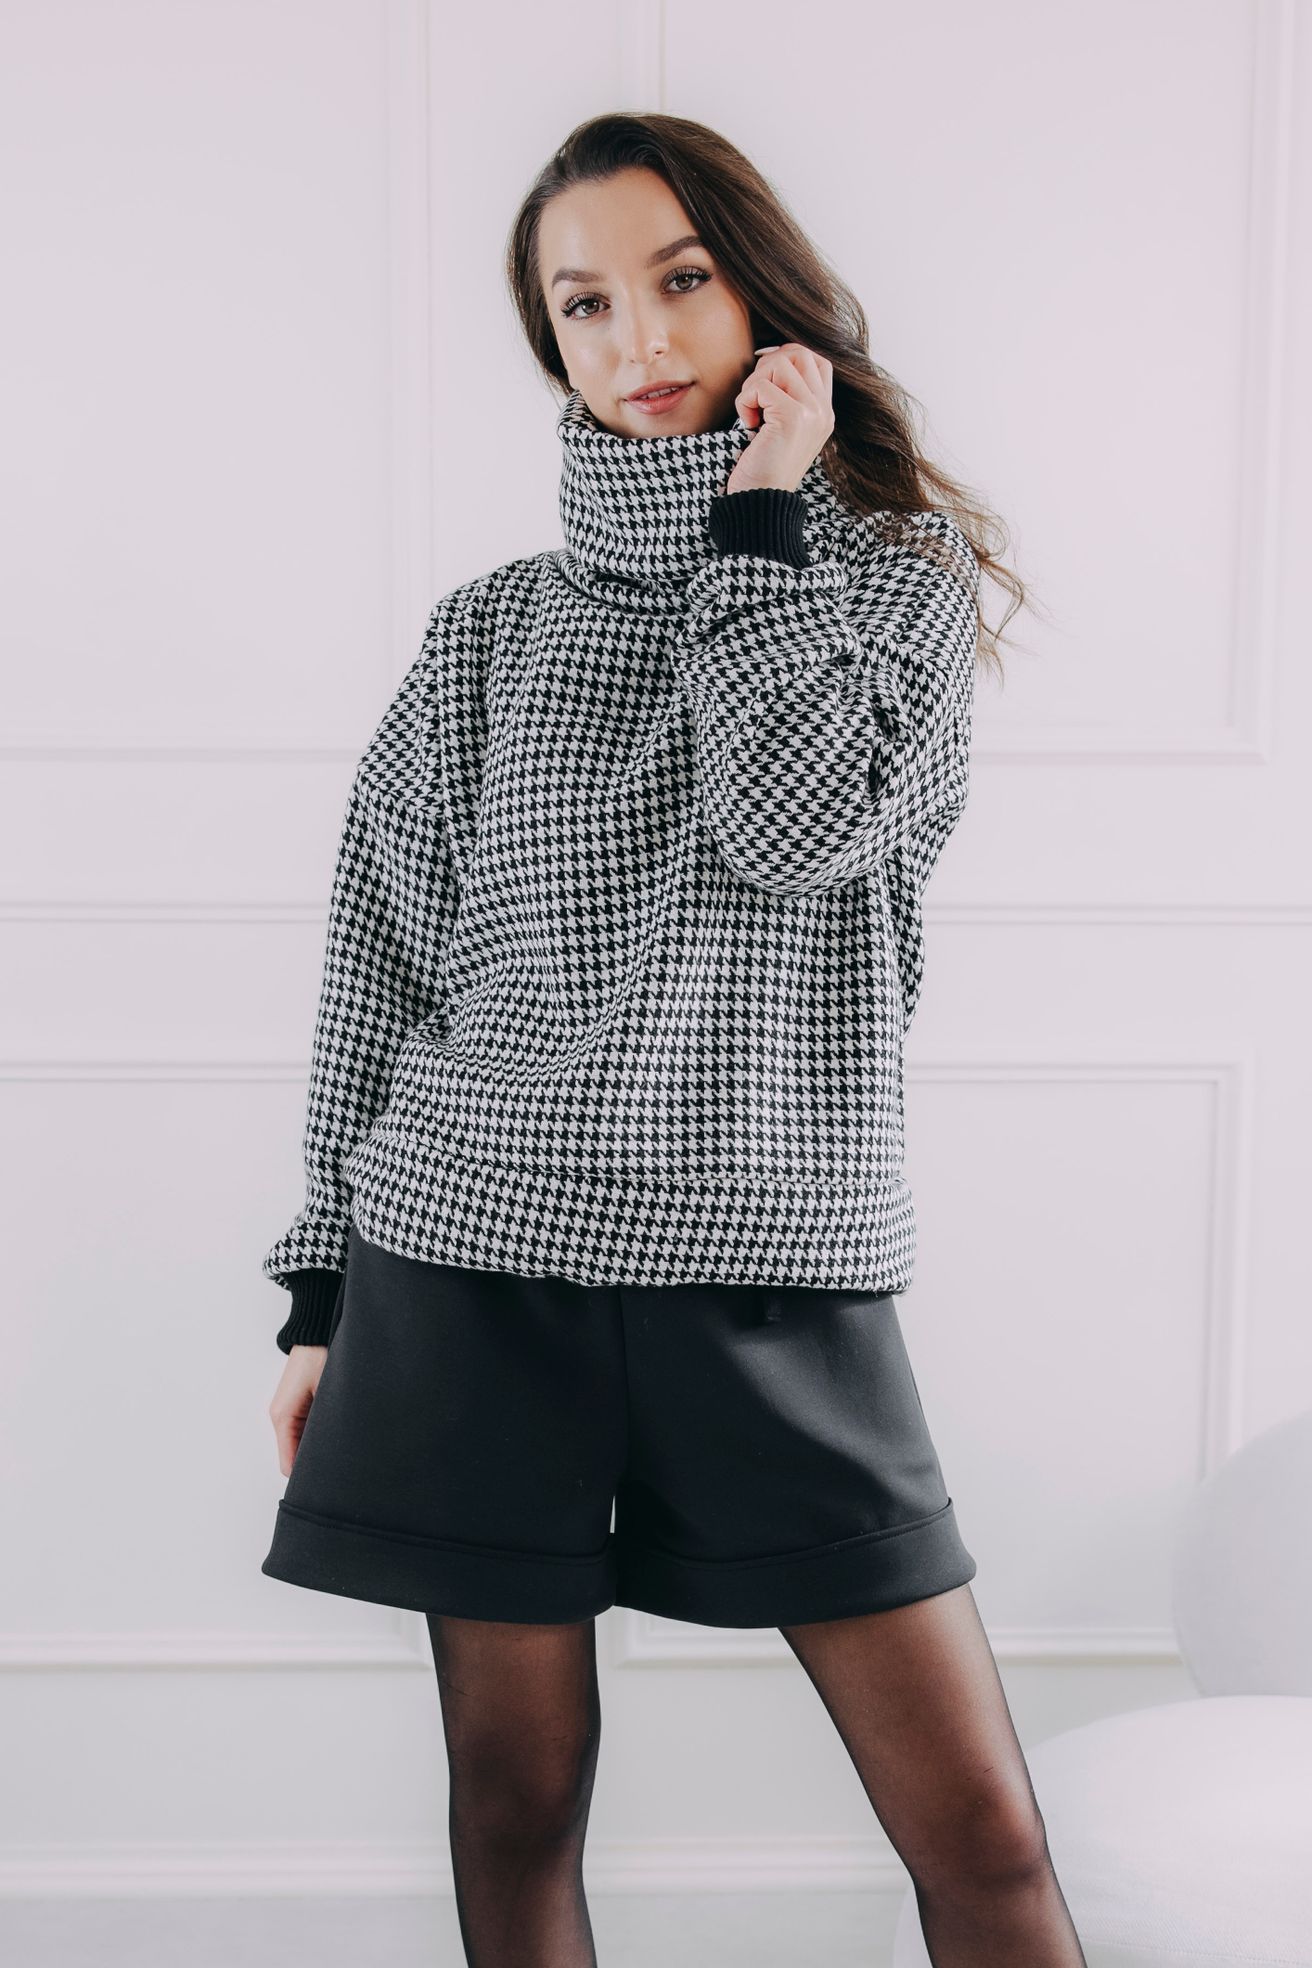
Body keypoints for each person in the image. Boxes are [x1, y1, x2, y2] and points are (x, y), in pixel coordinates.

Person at [260, 111, 1085, 1968]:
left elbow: (796, 835)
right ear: (546, 342)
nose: (637, 338)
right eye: (584, 304)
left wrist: (762, 520)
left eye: (681, 279)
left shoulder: (885, 586)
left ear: (764, 297)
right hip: (473, 1266)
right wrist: (319, 1296)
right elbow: (379, 965)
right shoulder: (487, 635)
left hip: (774, 1273)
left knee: (984, 1839)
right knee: (516, 1804)